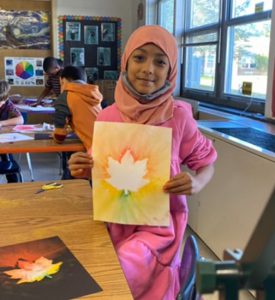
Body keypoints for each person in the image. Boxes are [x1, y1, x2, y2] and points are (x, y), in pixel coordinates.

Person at [68, 25, 217, 299]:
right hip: (114, 219)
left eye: (160, 62)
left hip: (160, 226)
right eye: (140, 58)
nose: (149, 69)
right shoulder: (107, 116)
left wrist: (197, 182)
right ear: (126, 61)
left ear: (170, 70)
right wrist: (82, 168)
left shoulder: (179, 116)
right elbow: (100, 170)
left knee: (124, 267)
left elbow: (206, 161)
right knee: (95, 267)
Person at [53, 65, 103, 151]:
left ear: (63, 80)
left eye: (61, 84)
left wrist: (57, 135)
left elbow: (59, 135)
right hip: (108, 142)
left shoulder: (67, 95)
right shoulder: (92, 94)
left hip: (94, 149)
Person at [0, 80, 24, 183]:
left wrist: (1, 123)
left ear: (5, 99)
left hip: (2, 139)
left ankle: (13, 184)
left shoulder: (8, 104)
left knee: (7, 156)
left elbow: (20, 120)